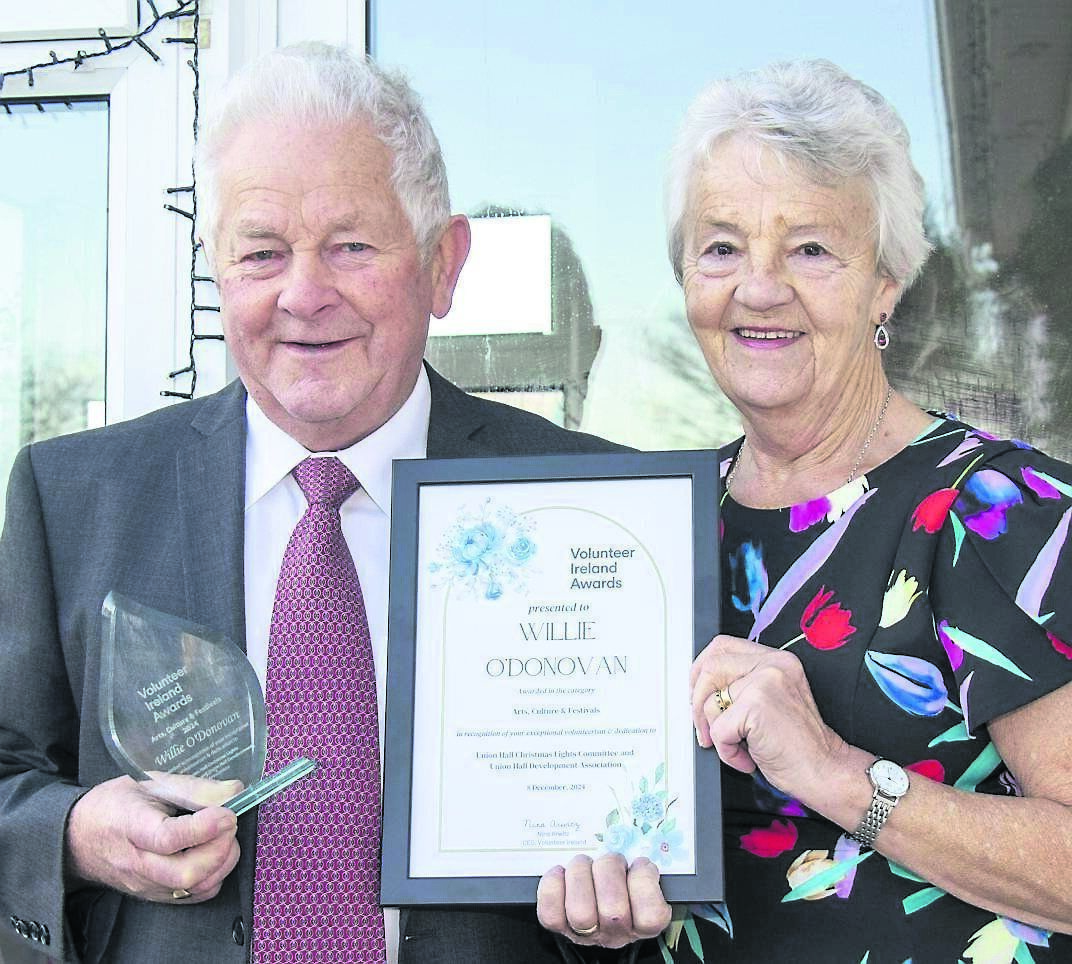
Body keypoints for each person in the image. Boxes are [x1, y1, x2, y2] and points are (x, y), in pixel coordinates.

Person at [0, 42, 646, 964]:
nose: (304, 295)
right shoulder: (73, 500)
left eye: (351, 245)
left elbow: (651, 827)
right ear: (216, 272)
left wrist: (622, 900)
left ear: (443, 264)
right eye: (261, 252)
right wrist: (74, 831)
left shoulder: (591, 511)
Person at [539, 59, 1072, 961]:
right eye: (721, 247)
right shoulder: (650, 531)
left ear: (887, 282)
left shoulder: (996, 509)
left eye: (811, 248)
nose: (759, 287)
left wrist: (835, 772)